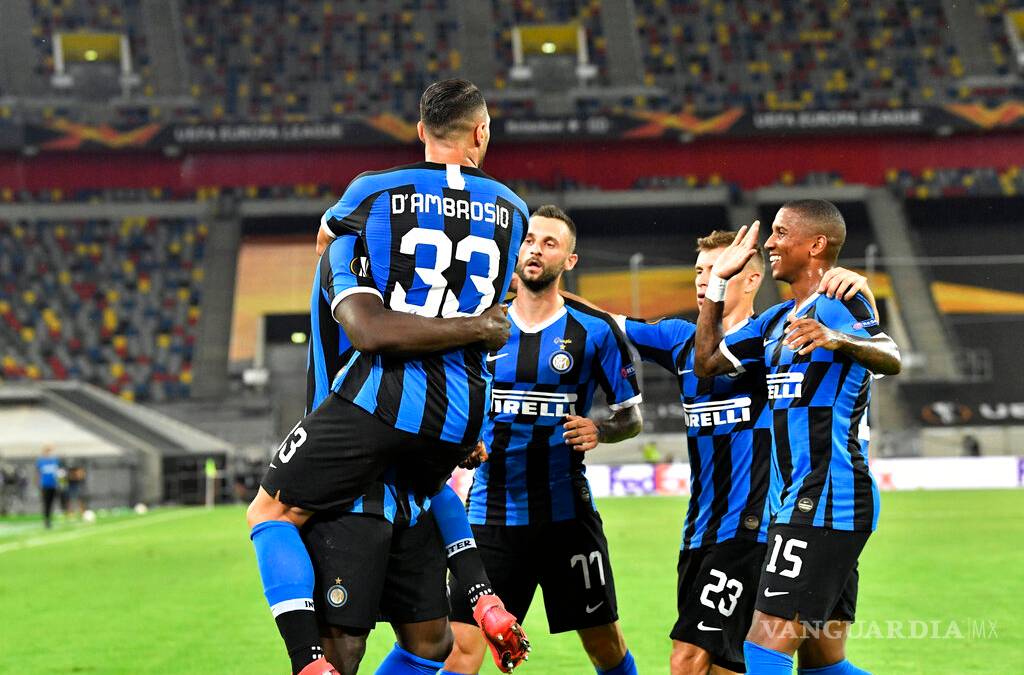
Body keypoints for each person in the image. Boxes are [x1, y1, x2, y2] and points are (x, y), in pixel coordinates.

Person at [246, 79, 530, 675]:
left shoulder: (373, 195)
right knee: (427, 504)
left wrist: (343, 235)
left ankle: (308, 663)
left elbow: (336, 260)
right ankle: (485, 599)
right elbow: (494, 310)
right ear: (482, 131)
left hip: (383, 402)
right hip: (461, 414)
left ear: (421, 130)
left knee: (269, 513)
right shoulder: (514, 210)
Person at [570, 230, 875, 675]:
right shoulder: (679, 339)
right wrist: (541, 292)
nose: (703, 279)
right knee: (757, 665)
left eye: (717, 271)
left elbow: (848, 343)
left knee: (688, 659)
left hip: (754, 528)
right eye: (699, 270)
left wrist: (855, 287)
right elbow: (607, 321)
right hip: (700, 530)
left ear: (751, 279)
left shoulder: (773, 336)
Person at [298, 223, 526, 675]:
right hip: (350, 475)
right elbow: (372, 334)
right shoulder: (359, 280)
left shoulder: (421, 301)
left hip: (406, 478)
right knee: (342, 648)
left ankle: (485, 601)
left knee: (432, 643)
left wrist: (456, 436)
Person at [692, 201, 901, 675]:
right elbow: (706, 363)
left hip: (829, 497)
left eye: (781, 232)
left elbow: (890, 355)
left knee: (763, 647)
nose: (769, 243)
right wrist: (718, 285)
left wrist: (837, 339)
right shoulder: (774, 322)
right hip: (794, 501)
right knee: (823, 664)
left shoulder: (840, 300)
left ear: (816, 244)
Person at [443, 205, 643, 675]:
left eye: (550, 243)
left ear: (569, 261)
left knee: (605, 645)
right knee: (461, 649)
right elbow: (455, 405)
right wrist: (462, 441)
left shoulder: (595, 331)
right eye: (529, 240)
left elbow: (631, 417)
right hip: (490, 516)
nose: (536, 250)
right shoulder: (481, 326)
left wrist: (601, 429)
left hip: (566, 517)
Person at [36, 446, 60, 529]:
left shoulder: (55, 461)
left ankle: (50, 519)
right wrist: (38, 484)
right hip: (45, 485)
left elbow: (58, 472)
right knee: (46, 503)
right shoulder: (41, 461)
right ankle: (46, 521)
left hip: (53, 485)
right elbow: (38, 473)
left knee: (52, 503)